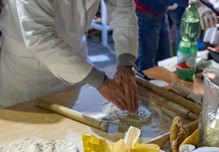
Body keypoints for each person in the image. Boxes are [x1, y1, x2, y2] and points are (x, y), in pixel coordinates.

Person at [0, 0, 138, 113]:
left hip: (76, 60)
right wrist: (99, 81)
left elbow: (123, 11)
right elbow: (40, 37)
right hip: (28, 72)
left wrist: (126, 62)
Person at [134, 0, 218, 75]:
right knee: (145, 68)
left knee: (165, 64)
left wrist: (215, 12)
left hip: (160, 11)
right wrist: (196, 5)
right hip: (142, 11)